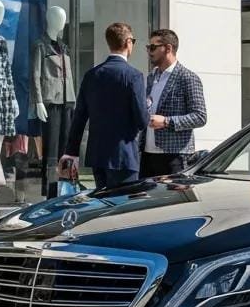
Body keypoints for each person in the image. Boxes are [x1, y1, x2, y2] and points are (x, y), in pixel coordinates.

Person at [60, 22, 147, 190]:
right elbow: (142, 120)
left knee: (103, 209)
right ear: (128, 42)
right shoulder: (134, 76)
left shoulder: (92, 75)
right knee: (124, 210)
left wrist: (71, 151)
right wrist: (147, 106)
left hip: (97, 155)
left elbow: (79, 118)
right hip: (124, 156)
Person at [141, 28, 207, 177]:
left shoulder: (187, 78)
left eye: (153, 47)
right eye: (148, 47)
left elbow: (200, 116)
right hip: (147, 154)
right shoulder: (151, 77)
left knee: (174, 201)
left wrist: (166, 121)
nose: (149, 51)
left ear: (168, 48)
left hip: (174, 156)